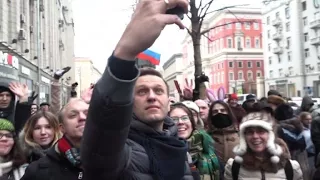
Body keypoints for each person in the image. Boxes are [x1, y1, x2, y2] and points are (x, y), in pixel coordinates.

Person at [80, 0, 193, 179]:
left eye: (158, 91)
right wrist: (125, 53)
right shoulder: (122, 152)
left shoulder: (180, 147)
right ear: (129, 102)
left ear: (168, 101)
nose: (151, 97)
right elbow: (103, 139)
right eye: (141, 91)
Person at [21, 95, 91, 180]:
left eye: (88, 113)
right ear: (62, 128)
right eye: (73, 115)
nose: (82, 117)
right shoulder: (37, 171)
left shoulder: (110, 161)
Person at [224, 112, 303, 179]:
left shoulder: (290, 167)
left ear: (271, 135)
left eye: (261, 131)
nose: (255, 136)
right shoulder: (234, 167)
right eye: (250, 132)